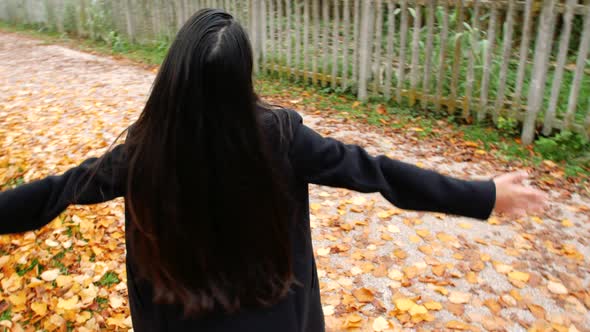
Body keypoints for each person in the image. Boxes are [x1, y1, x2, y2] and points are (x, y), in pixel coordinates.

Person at [0, 9, 546, 332]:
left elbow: (55, 193)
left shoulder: (145, 150)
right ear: (243, 78)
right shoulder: (281, 136)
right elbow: (377, 172)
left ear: (173, 76)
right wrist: (483, 195)